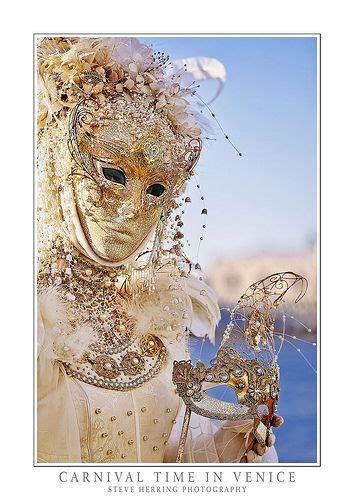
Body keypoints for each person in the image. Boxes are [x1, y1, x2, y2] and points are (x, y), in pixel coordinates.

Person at [37, 36, 281, 463]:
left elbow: (162, 454)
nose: (134, 209)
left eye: (156, 188)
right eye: (113, 173)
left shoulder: (157, 312)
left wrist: (227, 444)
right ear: (58, 166)